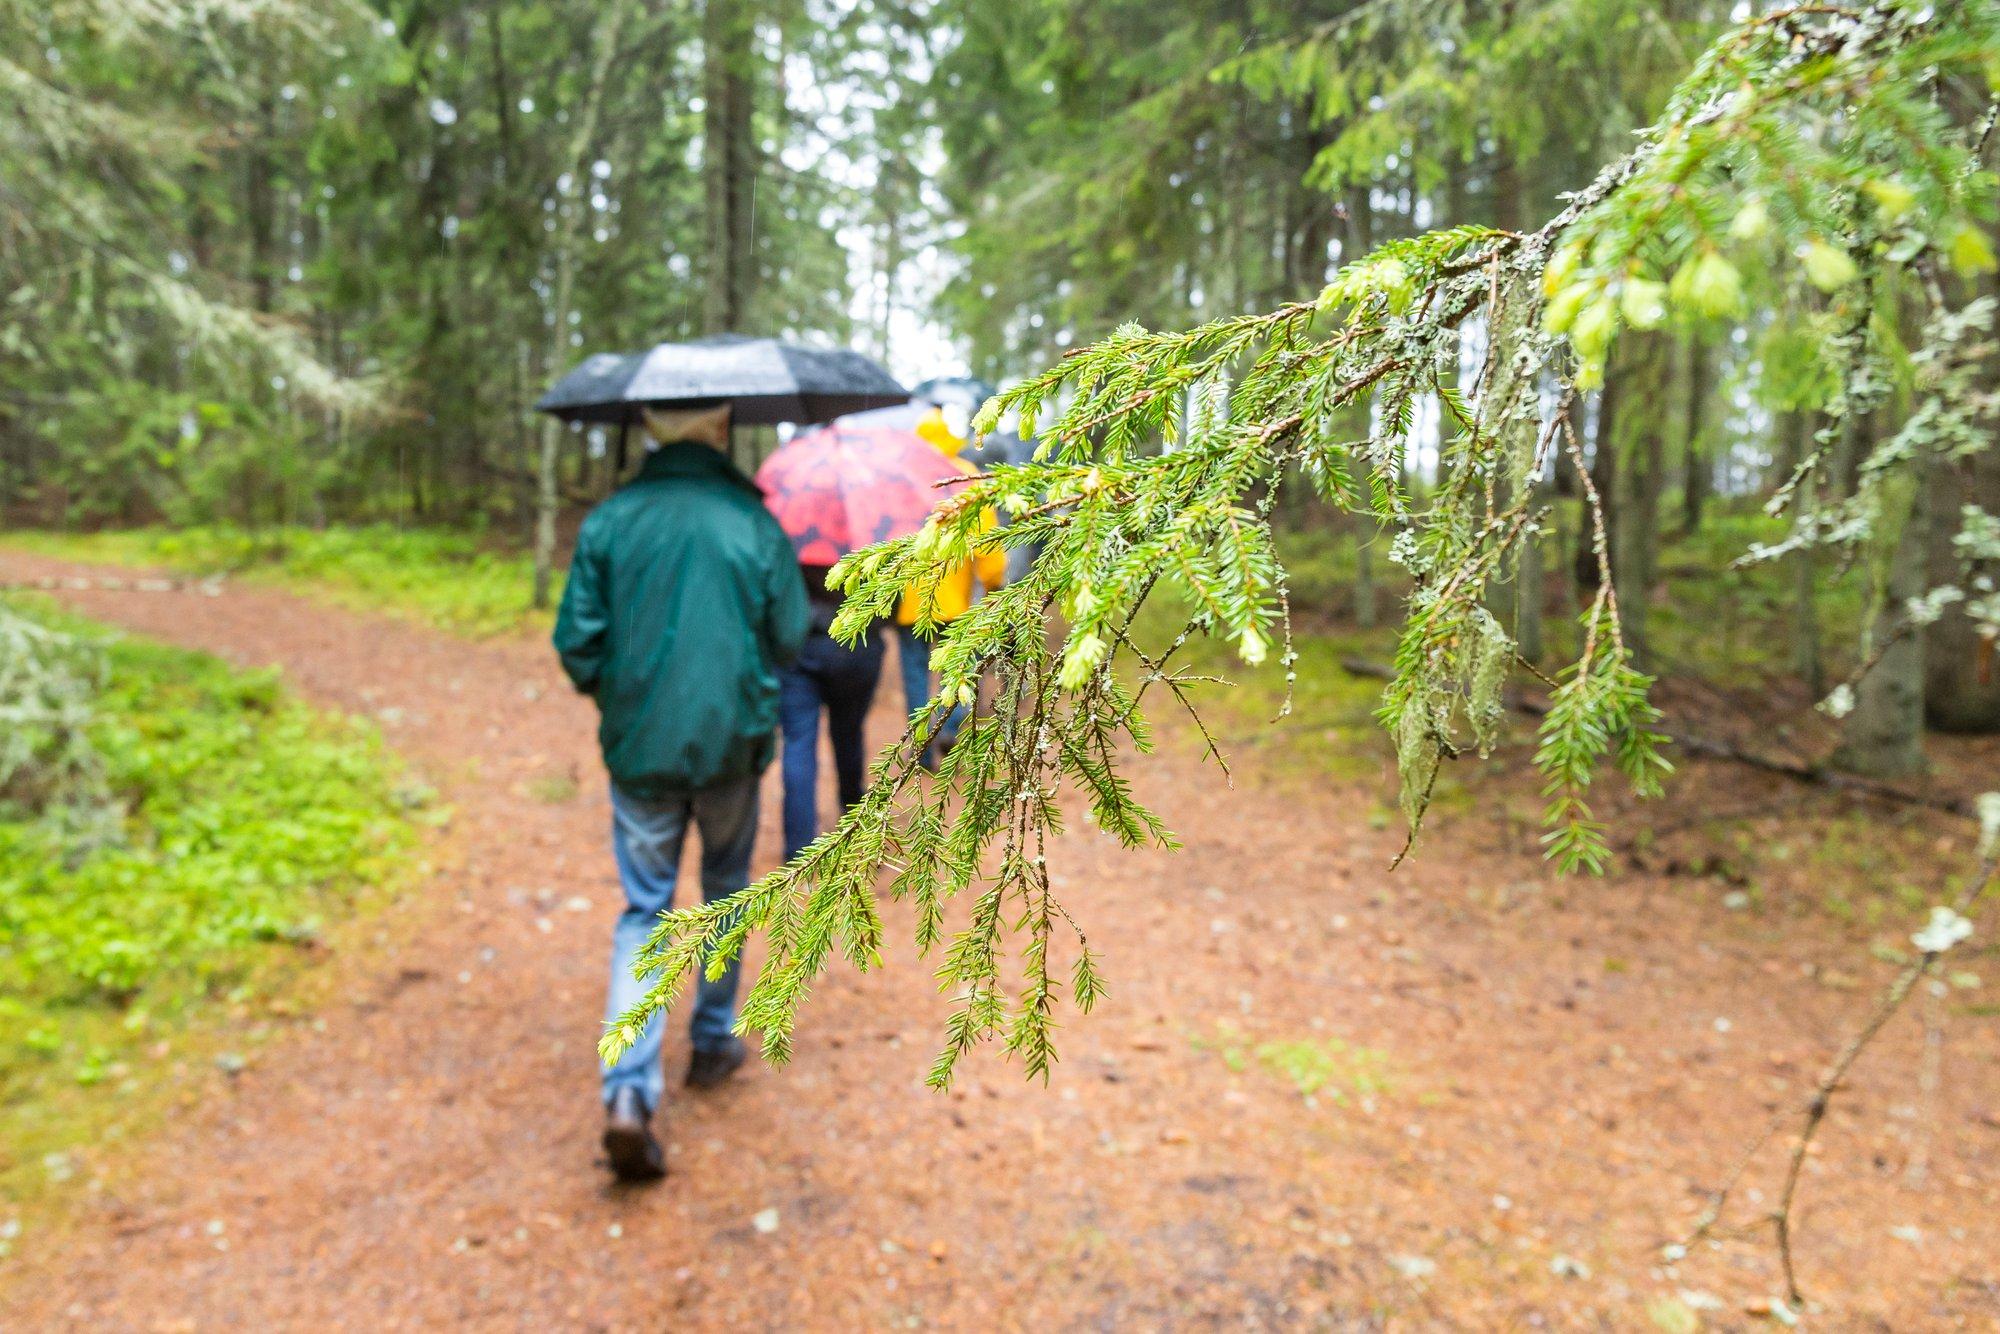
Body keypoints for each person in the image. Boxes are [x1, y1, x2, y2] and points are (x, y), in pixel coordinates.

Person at [552, 402, 808, 1183]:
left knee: (646, 911)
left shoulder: (611, 521)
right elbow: (790, 634)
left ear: (652, 430)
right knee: (725, 892)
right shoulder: (753, 523)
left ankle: (629, 1092)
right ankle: (711, 1041)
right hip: (732, 744)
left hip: (641, 750)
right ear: (721, 431)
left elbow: (577, 641)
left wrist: (621, 694)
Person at [893, 405, 1006, 761]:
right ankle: (951, 725)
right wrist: (993, 585)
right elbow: (988, 544)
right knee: (958, 670)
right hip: (956, 600)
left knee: (915, 676)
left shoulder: (900, 479)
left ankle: (923, 751)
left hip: (910, 601)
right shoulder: (966, 477)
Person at [777, 565, 887, 859]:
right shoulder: (877, 538)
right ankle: (854, 825)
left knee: (798, 744)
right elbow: (894, 598)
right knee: (848, 735)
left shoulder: (796, 540)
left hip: (803, 642)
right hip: (858, 645)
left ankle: (798, 848)